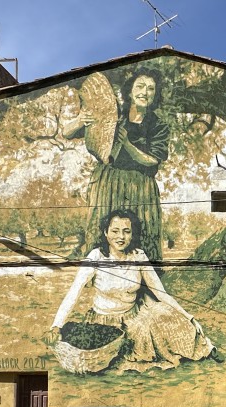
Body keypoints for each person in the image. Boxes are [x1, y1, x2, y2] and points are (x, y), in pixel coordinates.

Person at [45, 209, 222, 371]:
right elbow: (73, 293)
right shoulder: (96, 257)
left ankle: (205, 348)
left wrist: (188, 316)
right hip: (105, 322)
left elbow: (160, 293)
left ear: (132, 234)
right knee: (128, 344)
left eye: (126, 231)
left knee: (165, 312)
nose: (120, 237)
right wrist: (56, 325)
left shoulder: (138, 255)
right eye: (115, 231)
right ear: (106, 232)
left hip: (134, 315)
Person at [65, 68, 169, 262]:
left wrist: (128, 145)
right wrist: (80, 121)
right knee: (102, 230)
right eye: (140, 86)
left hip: (141, 186)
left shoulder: (158, 124)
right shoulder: (113, 115)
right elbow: (67, 133)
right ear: (130, 91)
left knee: (141, 233)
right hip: (108, 183)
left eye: (151, 89)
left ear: (155, 94)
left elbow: (153, 160)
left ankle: (145, 276)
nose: (145, 92)